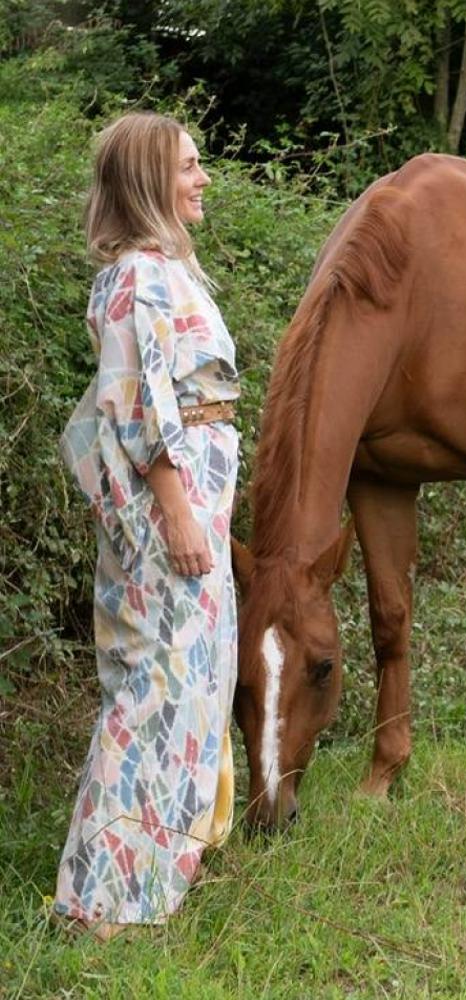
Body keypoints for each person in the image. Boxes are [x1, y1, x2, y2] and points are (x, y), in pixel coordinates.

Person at [54, 112, 240, 937]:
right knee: (151, 690)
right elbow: (136, 404)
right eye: (189, 166)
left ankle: (155, 876)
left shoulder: (168, 271)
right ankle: (98, 898)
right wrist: (178, 512)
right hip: (170, 510)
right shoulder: (137, 279)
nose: (203, 179)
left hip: (197, 498)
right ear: (146, 182)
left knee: (189, 691)